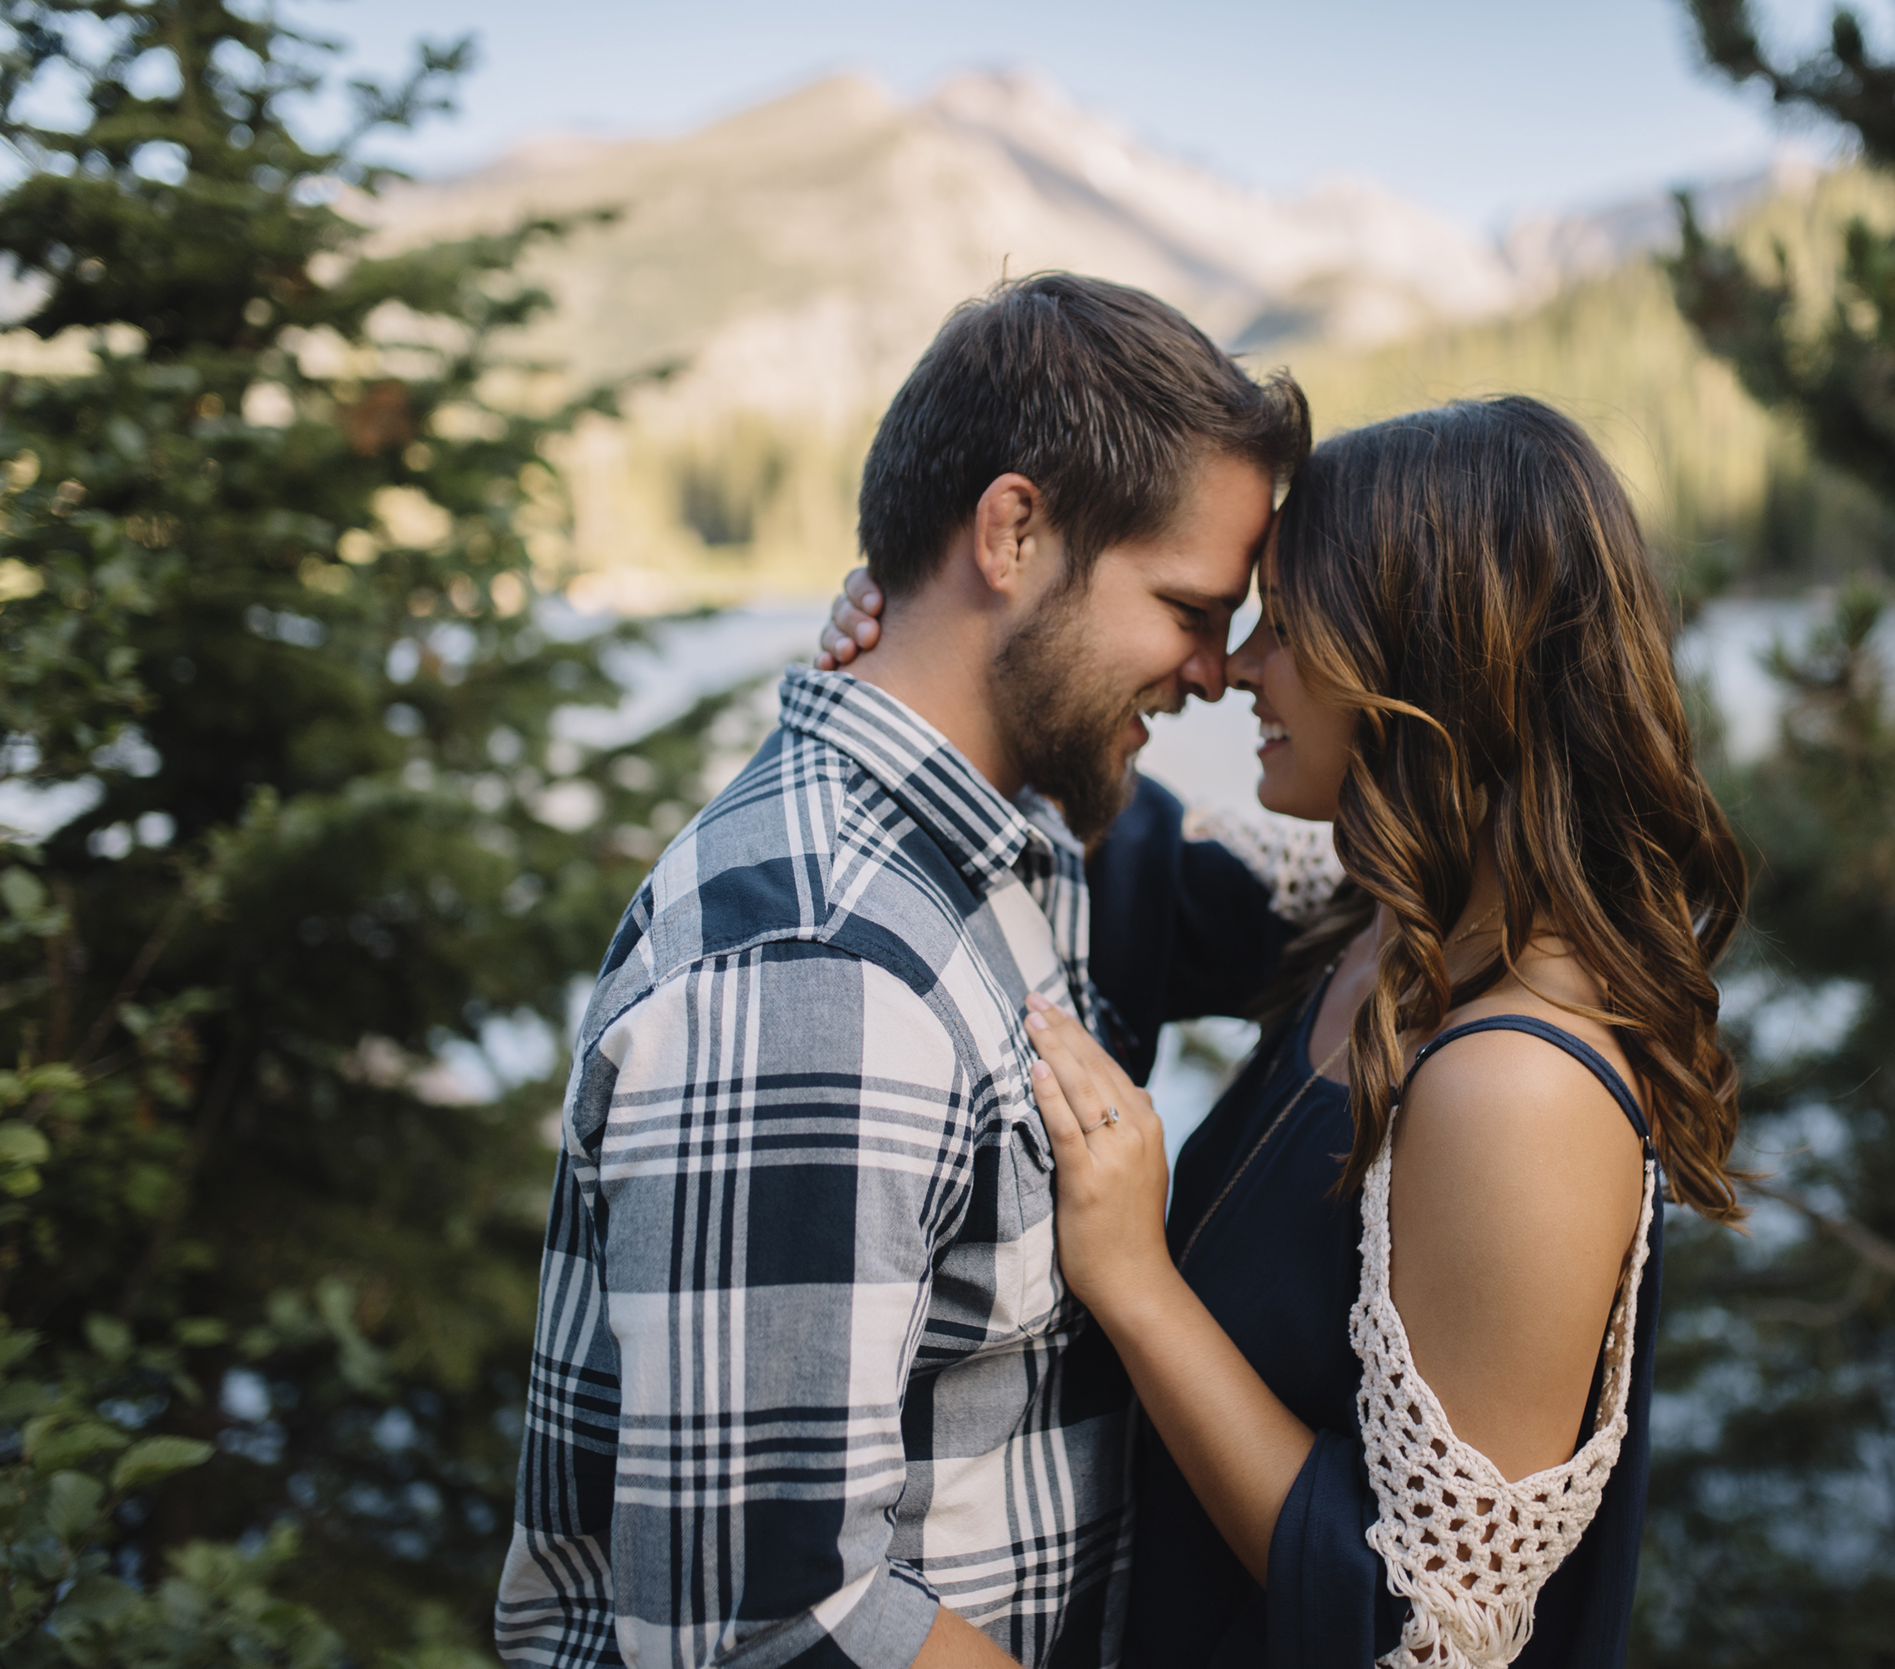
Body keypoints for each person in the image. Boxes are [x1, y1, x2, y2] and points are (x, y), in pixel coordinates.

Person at [827, 394, 1747, 1665]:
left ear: (1423, 662)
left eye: (1286, 628)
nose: (1237, 669)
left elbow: (1422, 1627)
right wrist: (925, 650)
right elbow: (1111, 856)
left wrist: (1137, 1284)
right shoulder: (1380, 922)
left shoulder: (1517, 1088)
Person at [494, 272, 1309, 1669]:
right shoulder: (818, 977)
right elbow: (766, 1626)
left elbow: (1318, 903)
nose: (1216, 676)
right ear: (1013, 530)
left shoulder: (1038, 837)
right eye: (1187, 608)